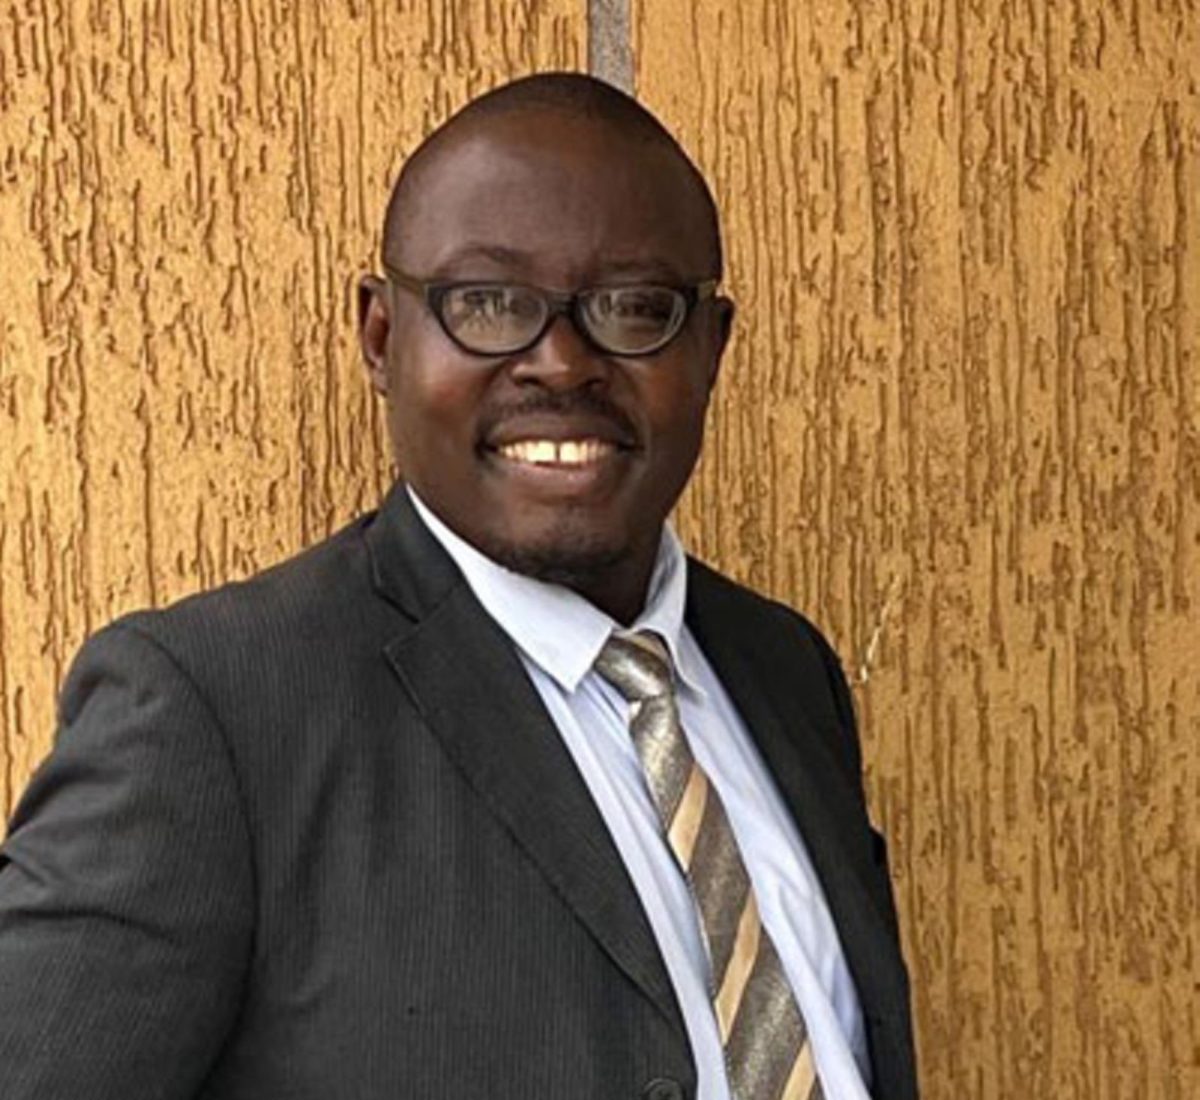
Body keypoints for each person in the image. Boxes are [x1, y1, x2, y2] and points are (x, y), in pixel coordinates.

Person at [0, 73, 917, 1100]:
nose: (562, 364)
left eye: (633, 308)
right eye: (487, 302)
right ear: (382, 338)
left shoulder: (785, 670)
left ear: (712, 348)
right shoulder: (214, 715)